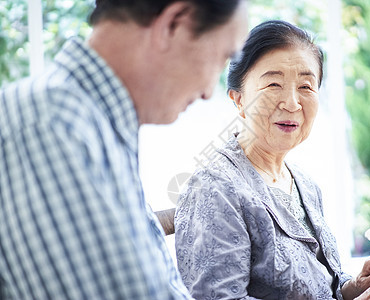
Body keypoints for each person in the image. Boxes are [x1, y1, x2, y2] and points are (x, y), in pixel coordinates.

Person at [0, 0, 248, 299]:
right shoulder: (51, 126)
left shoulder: (92, 127)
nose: (210, 91)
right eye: (222, 56)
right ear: (173, 23)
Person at [174, 20, 370, 300]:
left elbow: (319, 290)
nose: (292, 103)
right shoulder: (213, 189)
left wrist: (353, 289)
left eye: (306, 86)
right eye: (273, 84)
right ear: (239, 99)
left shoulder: (304, 184)